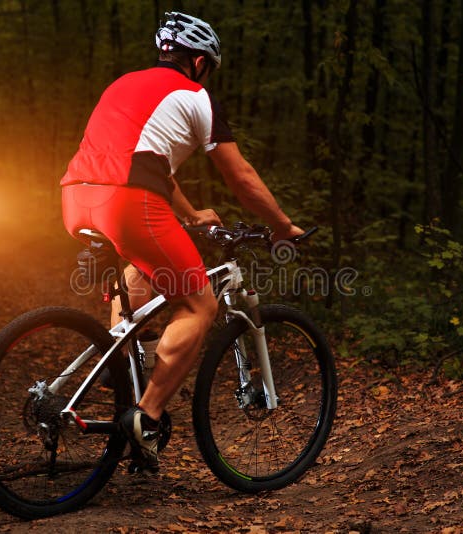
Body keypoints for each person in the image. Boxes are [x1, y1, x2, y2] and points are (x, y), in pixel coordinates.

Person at [60, 11, 304, 473]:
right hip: (127, 199)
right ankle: (145, 418)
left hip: (75, 196)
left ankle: (120, 376)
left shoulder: (123, 84)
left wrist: (191, 216)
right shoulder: (196, 96)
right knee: (200, 305)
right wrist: (281, 224)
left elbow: (149, 161)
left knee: (142, 273)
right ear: (198, 63)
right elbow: (241, 177)